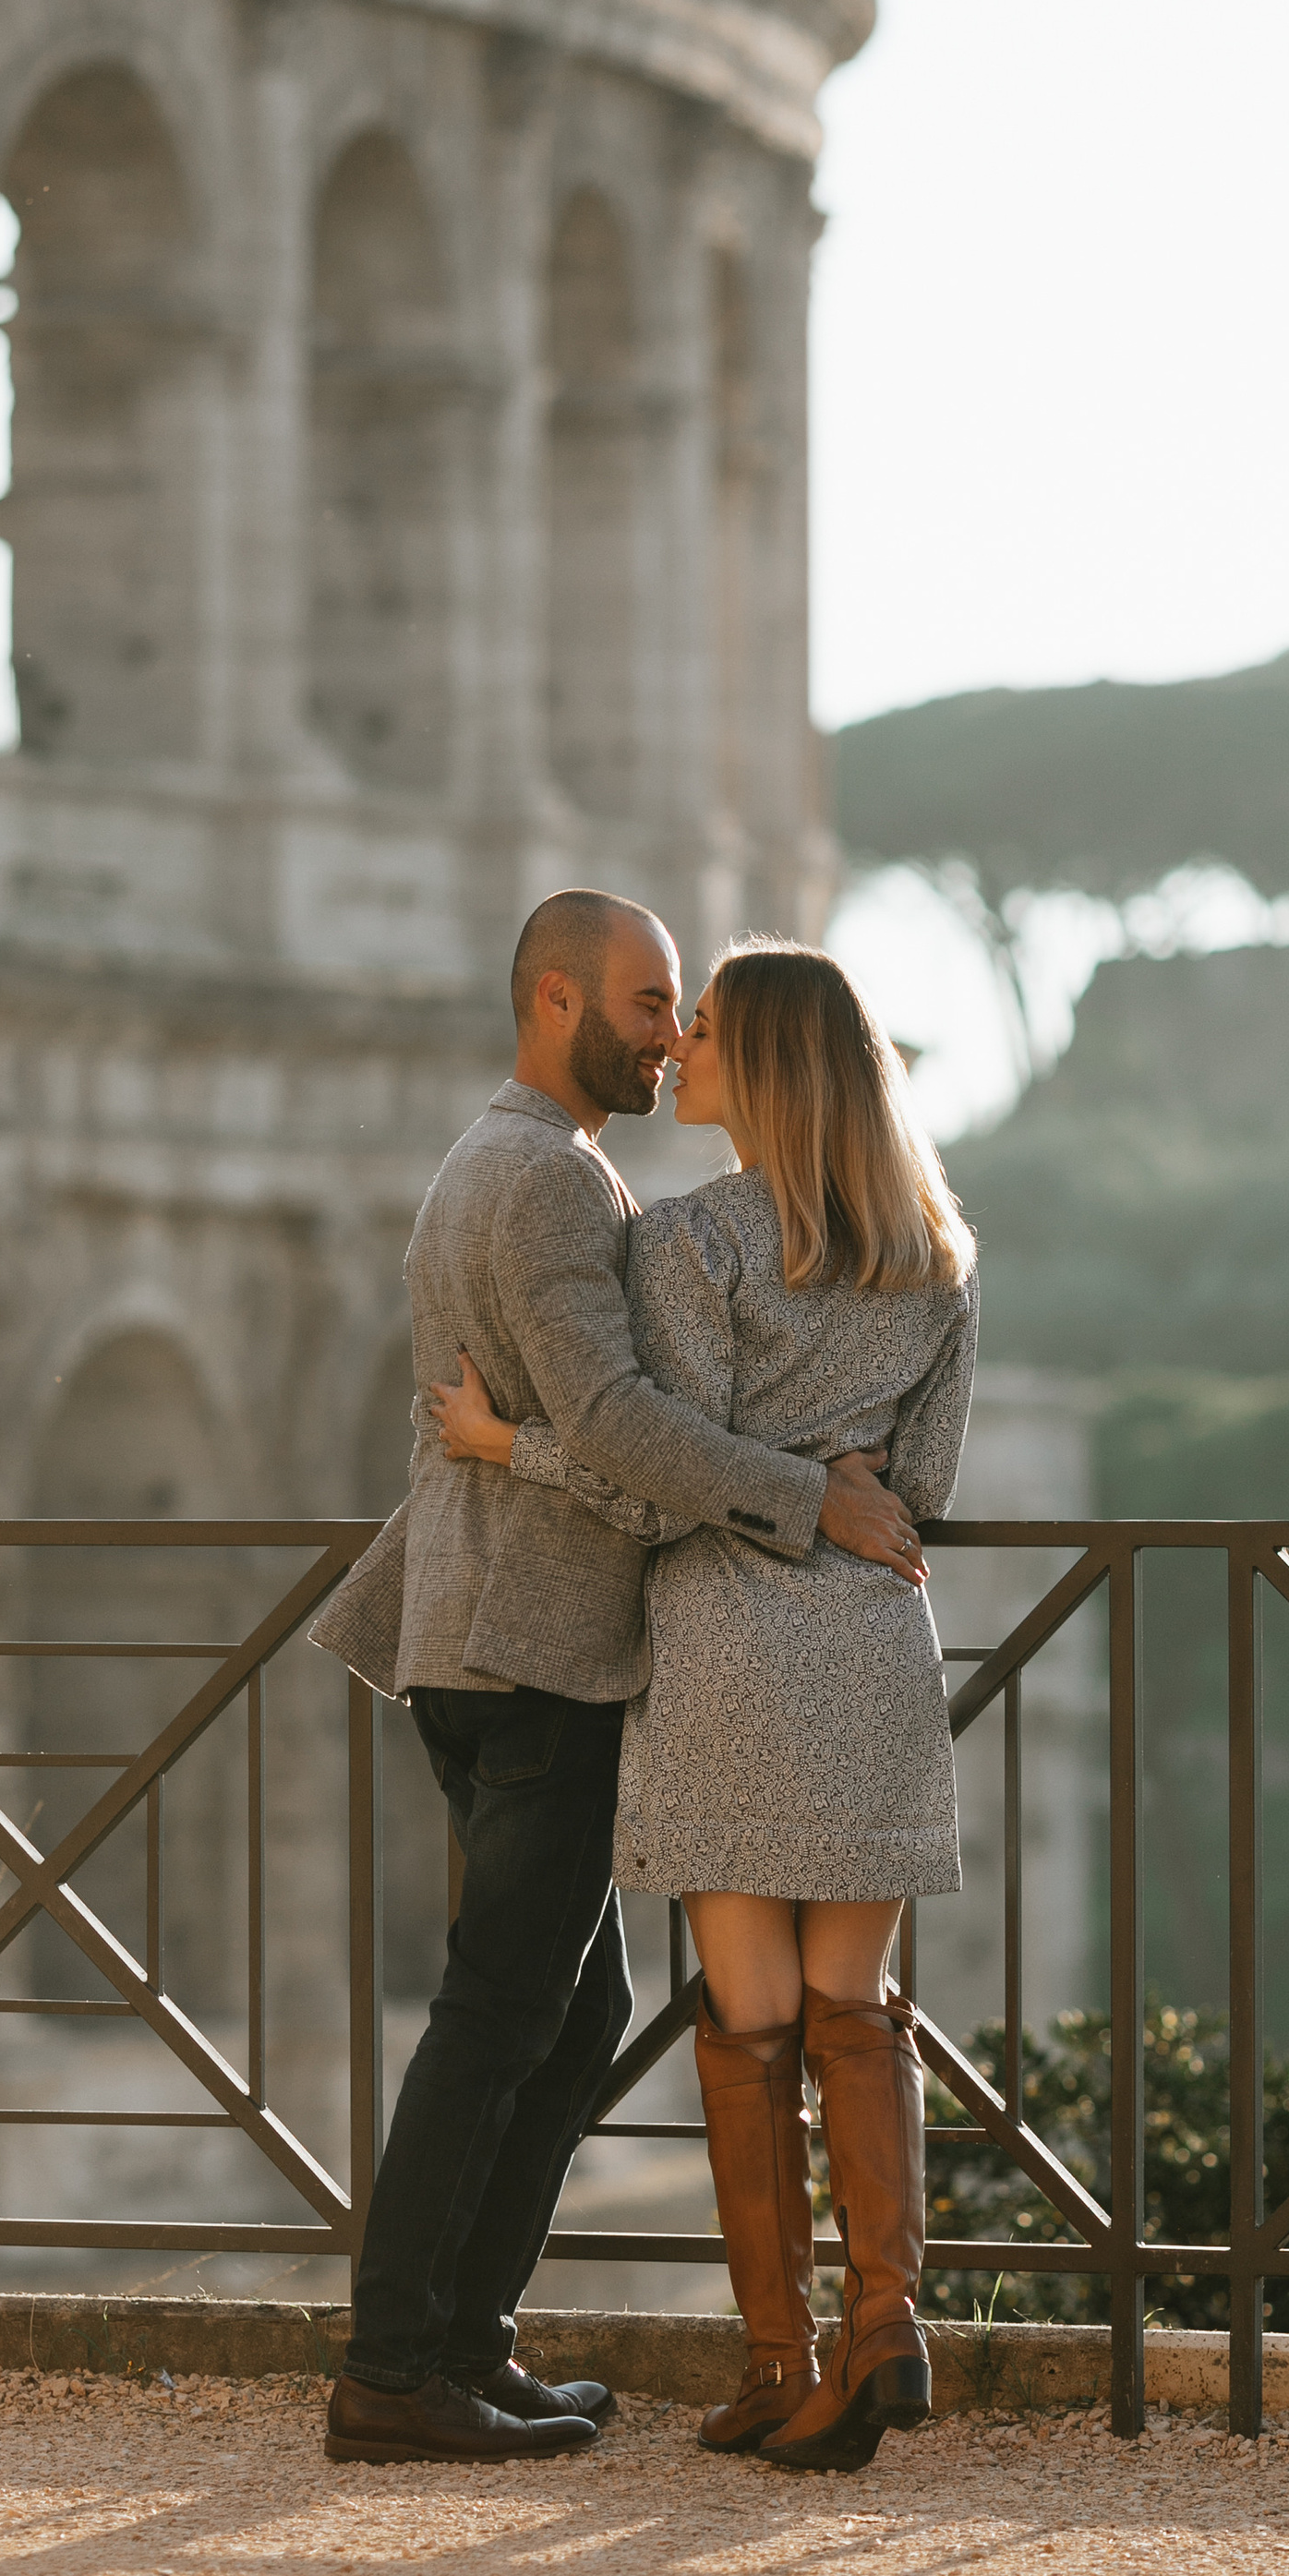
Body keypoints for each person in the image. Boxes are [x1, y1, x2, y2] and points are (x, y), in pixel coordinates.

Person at [309, 891, 929, 2469]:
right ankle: (394, 2367)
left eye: (682, 1012)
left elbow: (583, 1421)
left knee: (574, 2005)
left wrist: (514, 1445)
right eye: (651, 1005)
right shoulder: (551, 1184)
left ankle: (462, 2343)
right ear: (557, 1001)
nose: (668, 1036)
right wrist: (813, 1495)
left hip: (501, 1631)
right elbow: (620, 1425)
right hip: (531, 1640)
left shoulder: (521, 1163)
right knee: (505, 2007)